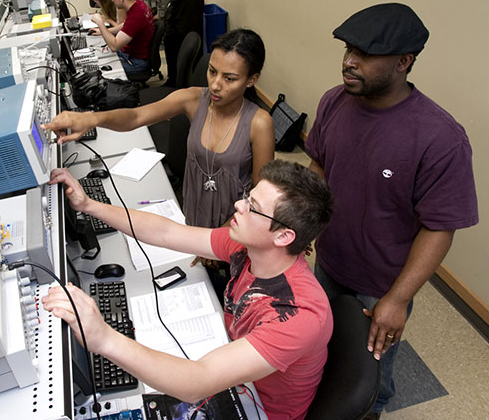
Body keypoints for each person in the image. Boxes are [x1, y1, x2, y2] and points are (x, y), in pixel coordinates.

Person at [43, 160, 334, 420]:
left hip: (261, 409)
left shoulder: (299, 314)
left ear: (283, 236)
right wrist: (88, 205)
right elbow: (168, 233)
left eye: (253, 207)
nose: (238, 205)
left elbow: (197, 383)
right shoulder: (249, 246)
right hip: (240, 375)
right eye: (248, 197)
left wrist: (103, 338)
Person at [304, 3, 479, 420]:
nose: (349, 61)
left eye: (364, 54)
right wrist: (301, 225)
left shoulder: (440, 138)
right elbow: (319, 168)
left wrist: (398, 298)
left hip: (380, 286)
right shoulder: (334, 102)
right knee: (321, 350)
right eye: (348, 49)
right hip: (329, 263)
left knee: (370, 382)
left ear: (404, 62)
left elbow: (439, 228)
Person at [43, 29, 275, 297]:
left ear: (251, 79)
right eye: (212, 72)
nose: (215, 85)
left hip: (233, 231)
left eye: (230, 78)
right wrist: (92, 119)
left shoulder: (259, 124)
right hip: (197, 221)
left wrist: (216, 242)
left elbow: (261, 201)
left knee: (228, 294)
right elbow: (135, 117)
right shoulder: (193, 99)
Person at [142, 0, 204, 87]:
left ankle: (194, 83)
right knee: (170, 40)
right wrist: (147, 9)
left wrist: (161, 12)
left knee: (188, 43)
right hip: (176, 2)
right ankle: (173, 80)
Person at [90, 0, 154, 76]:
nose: (111, 0)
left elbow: (114, 47)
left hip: (135, 62)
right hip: (130, 53)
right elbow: (125, 25)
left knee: (98, 71)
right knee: (98, 55)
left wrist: (100, 23)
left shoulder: (136, 16)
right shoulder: (139, 5)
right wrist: (104, 31)